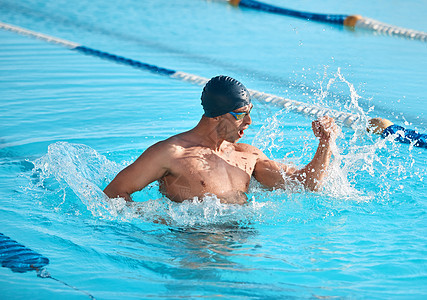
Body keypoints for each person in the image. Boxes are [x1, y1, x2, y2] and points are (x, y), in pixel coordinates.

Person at [104, 75, 339, 204]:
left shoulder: (247, 155)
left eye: (250, 112)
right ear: (216, 116)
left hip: (244, 242)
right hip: (194, 245)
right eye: (241, 115)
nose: (249, 122)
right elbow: (114, 193)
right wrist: (154, 219)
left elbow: (307, 185)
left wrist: (325, 143)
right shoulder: (170, 153)